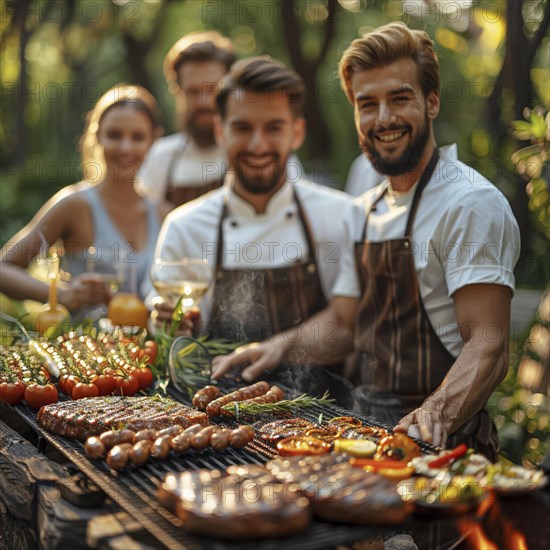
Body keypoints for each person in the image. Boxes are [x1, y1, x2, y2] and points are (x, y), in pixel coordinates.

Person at [212, 22, 520, 458]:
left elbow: (489, 344)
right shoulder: (366, 208)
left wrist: (433, 417)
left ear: (431, 102)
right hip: (365, 433)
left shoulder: (468, 202)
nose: (383, 119)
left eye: (399, 98)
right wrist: (278, 346)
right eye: (367, 103)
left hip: (444, 451)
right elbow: (344, 323)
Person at [151, 56, 354, 398]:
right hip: (211, 416)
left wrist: (282, 347)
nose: (258, 145)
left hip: (326, 421)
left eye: (273, 127)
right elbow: (162, 329)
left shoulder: (341, 216)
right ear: (220, 131)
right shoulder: (185, 226)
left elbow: (351, 324)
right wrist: (169, 326)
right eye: (243, 128)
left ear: (297, 132)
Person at [0, 84, 164, 314]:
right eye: (114, 135)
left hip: (151, 349)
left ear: (153, 141)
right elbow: (4, 269)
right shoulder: (74, 204)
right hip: (83, 346)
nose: (125, 147)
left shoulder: (163, 213)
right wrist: (62, 294)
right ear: (97, 136)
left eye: (138, 137)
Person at [138, 31, 236, 208]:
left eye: (212, 89)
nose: (204, 102)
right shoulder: (161, 158)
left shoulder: (255, 153)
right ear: (177, 92)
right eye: (193, 92)